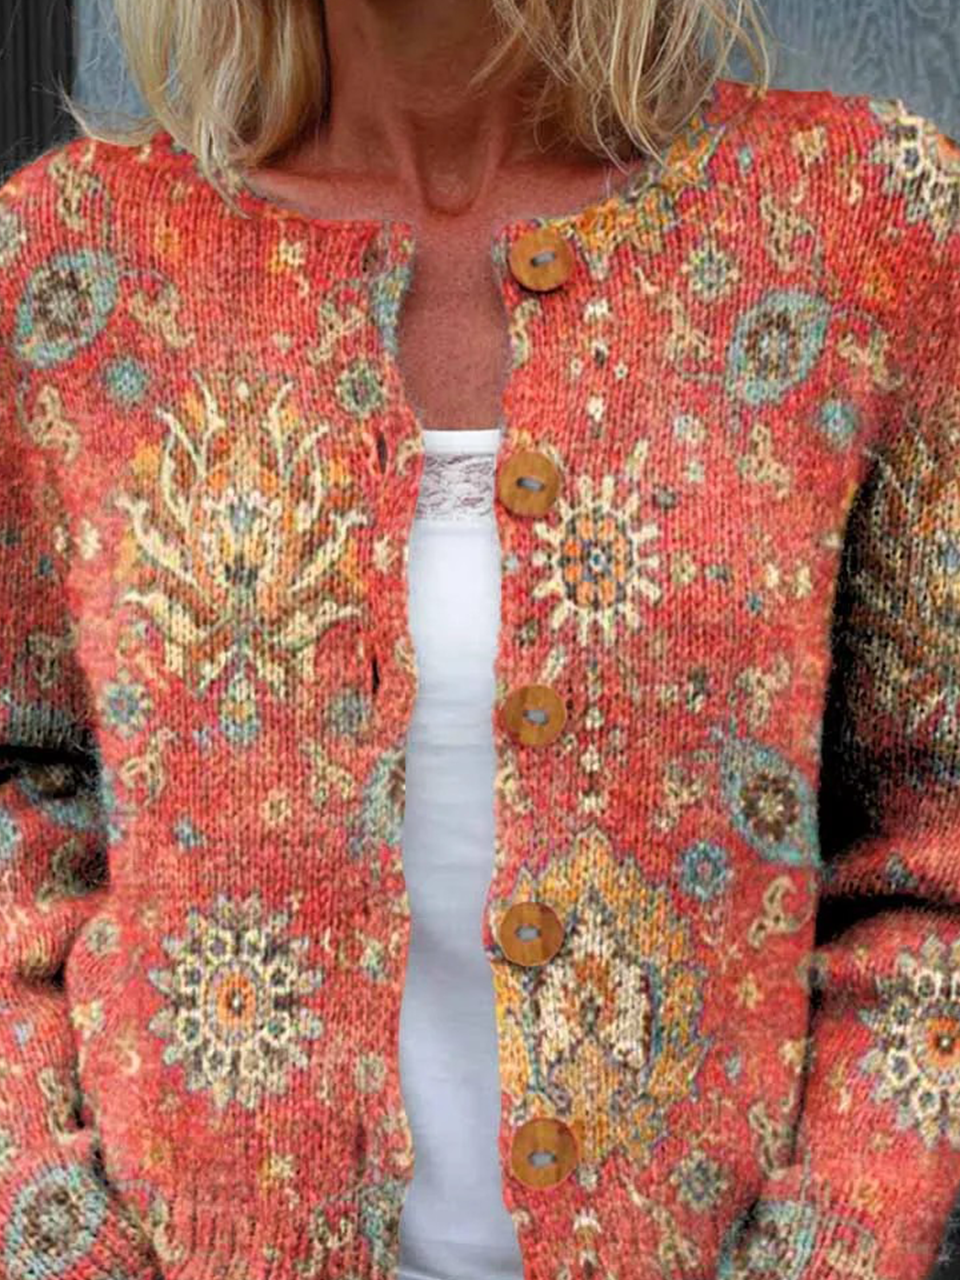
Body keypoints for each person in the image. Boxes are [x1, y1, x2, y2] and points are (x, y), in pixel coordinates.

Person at [0, 2, 958, 1279]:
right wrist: (60, 1245)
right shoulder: (65, 269)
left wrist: (827, 1253)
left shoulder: (863, 228)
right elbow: (22, 801)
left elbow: (934, 854)